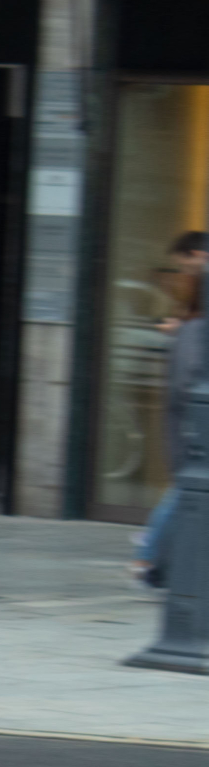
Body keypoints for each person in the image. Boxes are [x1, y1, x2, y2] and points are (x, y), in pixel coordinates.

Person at [139, 233, 208, 586]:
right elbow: (189, 384)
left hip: (191, 429)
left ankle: (154, 558)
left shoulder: (192, 328)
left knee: (185, 492)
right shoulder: (196, 329)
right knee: (186, 491)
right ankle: (151, 558)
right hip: (195, 430)